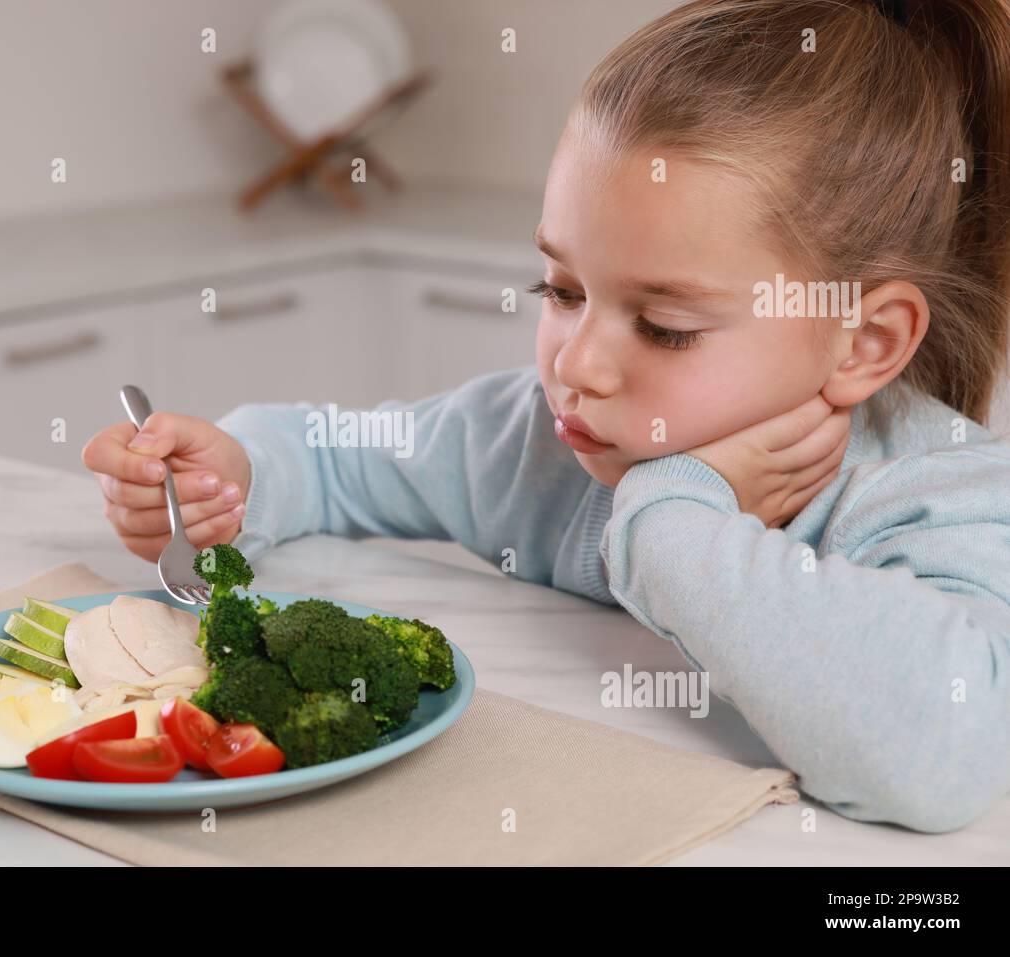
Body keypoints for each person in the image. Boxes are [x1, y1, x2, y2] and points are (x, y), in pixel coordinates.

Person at [82, 0, 1010, 832]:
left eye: (665, 325)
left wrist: (670, 512)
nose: (574, 364)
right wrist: (234, 478)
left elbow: (941, 763)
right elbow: (340, 458)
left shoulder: (941, 498)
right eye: (559, 287)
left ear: (862, 343)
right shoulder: (537, 441)